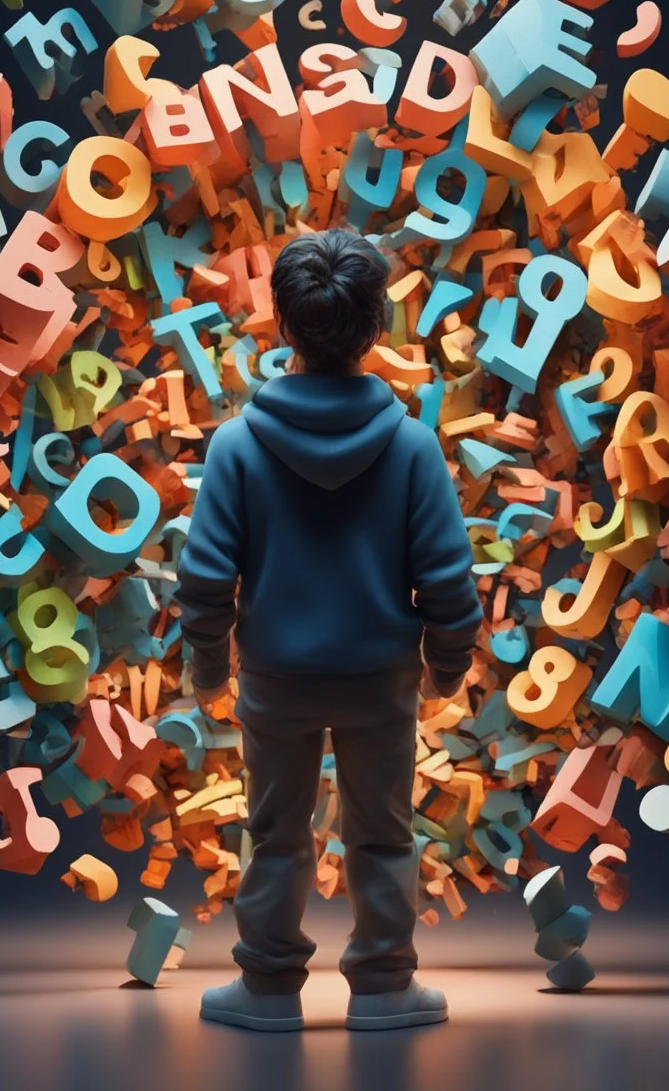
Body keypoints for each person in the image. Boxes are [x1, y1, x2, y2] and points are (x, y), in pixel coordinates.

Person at [175, 229, 483, 1032]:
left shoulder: (238, 446)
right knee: (382, 834)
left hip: (275, 679)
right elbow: (449, 582)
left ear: (284, 327)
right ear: (377, 329)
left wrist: (209, 669)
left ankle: (270, 989)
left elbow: (207, 579)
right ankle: (383, 987)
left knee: (275, 833)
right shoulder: (414, 449)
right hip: (382, 681)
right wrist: (446, 669)